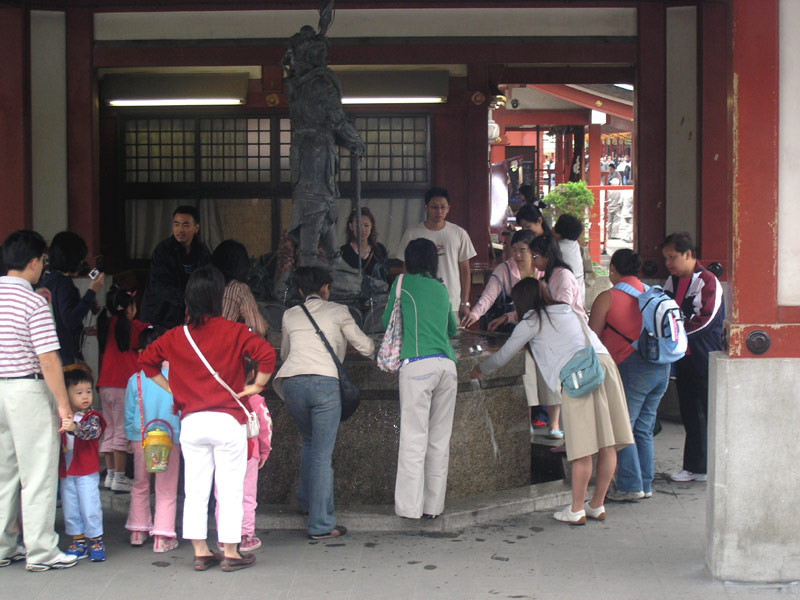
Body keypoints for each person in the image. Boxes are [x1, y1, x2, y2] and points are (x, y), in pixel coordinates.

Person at [139, 265, 276, 572]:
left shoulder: (176, 336)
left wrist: (172, 388)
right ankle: (231, 552)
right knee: (230, 490)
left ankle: (200, 552)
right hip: (227, 421)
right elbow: (266, 354)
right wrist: (256, 385)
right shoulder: (235, 331)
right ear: (218, 298)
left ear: (189, 300)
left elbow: (146, 361)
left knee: (196, 489)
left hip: (192, 423)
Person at [470, 278, 633, 525]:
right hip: (605, 365)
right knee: (607, 443)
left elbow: (504, 355)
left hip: (579, 374)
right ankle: (596, 505)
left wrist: (480, 369)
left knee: (582, 448)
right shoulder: (566, 310)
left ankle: (576, 510)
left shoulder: (531, 320)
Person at [273, 266, 374, 539]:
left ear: (301, 290)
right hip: (325, 385)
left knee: (310, 442)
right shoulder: (339, 311)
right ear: (326, 288)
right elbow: (365, 347)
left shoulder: (290, 314)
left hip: (292, 385)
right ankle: (320, 524)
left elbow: (285, 354)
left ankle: (307, 503)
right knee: (321, 454)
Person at [0, 230, 77, 571]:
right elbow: (48, 359)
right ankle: (42, 551)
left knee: (3, 473)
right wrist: (63, 405)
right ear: (33, 262)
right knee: (38, 473)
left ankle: (4, 546)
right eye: (43, 261)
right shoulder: (33, 302)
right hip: (26, 391)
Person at [383, 239, 458, 520]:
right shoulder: (441, 288)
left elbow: (386, 322)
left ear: (409, 260)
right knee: (439, 440)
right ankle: (433, 508)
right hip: (447, 367)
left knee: (414, 438)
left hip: (417, 366)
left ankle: (409, 508)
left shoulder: (402, 283)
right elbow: (452, 328)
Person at [589, 249, 670, 501]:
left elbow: (592, 338)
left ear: (612, 269)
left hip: (631, 368)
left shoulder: (608, 297)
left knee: (623, 427)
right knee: (643, 428)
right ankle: (645, 483)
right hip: (661, 366)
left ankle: (630, 485)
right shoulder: (652, 293)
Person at [282, 24, 365, 267]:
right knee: (316, 201)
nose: (324, 60)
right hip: (317, 151)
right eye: (320, 55)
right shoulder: (319, 85)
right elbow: (336, 119)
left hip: (303, 150)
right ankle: (308, 257)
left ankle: (332, 256)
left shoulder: (295, 85)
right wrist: (355, 141)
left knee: (321, 200)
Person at [661, 232, 725, 483]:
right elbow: (663, 310)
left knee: (706, 411)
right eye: (666, 258)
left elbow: (705, 320)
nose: (668, 263)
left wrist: (675, 334)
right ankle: (694, 467)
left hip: (703, 354)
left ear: (688, 254)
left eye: (672, 257)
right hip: (683, 356)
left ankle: (708, 466)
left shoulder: (707, 280)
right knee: (689, 411)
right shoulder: (672, 281)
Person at [124, 325, 182, 553]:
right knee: (166, 487)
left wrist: (129, 438)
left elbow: (129, 413)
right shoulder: (177, 377)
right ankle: (162, 536)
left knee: (140, 484)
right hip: (170, 439)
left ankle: (137, 531)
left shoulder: (136, 379)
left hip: (141, 439)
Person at [215, 359, 273, 552]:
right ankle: (245, 536)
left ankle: (224, 537)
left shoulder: (217, 398)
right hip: (249, 452)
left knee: (222, 495)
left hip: (222, 452)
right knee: (247, 495)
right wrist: (264, 451)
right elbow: (265, 428)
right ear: (252, 374)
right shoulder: (255, 399)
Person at [395, 187, 477, 319]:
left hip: (452, 303)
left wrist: (465, 302)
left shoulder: (459, 233)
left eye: (443, 207)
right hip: (421, 303)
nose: (439, 211)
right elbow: (406, 270)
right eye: (434, 207)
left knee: (453, 333)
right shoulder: (412, 233)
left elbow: (465, 271)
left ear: (448, 208)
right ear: (426, 208)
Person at [96, 286, 148, 492]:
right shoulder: (133, 327)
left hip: (104, 385)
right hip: (123, 386)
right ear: (129, 309)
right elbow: (151, 332)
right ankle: (120, 477)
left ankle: (110, 476)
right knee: (121, 431)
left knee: (109, 429)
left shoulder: (106, 324)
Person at [58, 369, 107, 562]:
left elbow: (93, 432)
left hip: (86, 469)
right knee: (70, 506)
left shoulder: (92, 416)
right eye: (78, 393)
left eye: (88, 391)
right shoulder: (61, 416)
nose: (85, 396)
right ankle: (78, 541)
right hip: (67, 469)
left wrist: (74, 427)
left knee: (90, 505)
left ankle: (96, 541)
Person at [39, 231, 105, 368]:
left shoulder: (48, 279)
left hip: (51, 350)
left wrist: (83, 330)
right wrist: (91, 291)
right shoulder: (64, 284)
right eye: (80, 259)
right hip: (66, 356)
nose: (82, 263)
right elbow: (70, 320)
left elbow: (59, 317)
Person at [140, 205, 211, 329]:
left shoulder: (202, 251)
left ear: (196, 228)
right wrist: (186, 299)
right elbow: (160, 285)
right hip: (160, 313)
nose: (180, 230)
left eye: (186, 225)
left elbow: (205, 281)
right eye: (176, 224)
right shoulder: (163, 250)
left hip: (188, 312)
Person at [461, 229, 537, 332]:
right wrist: (475, 314)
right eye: (514, 250)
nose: (517, 255)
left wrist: (508, 316)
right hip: (513, 325)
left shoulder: (541, 269)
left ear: (533, 250)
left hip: (539, 322)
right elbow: (489, 296)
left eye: (522, 250)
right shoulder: (504, 269)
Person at [211, 239, 267, 337]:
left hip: (199, 344)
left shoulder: (203, 285)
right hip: (225, 344)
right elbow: (259, 328)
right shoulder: (239, 289)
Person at [339, 207, 390, 283]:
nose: (362, 229)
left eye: (366, 225)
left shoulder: (380, 249)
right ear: (351, 226)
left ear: (371, 226)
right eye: (358, 225)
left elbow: (387, 278)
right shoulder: (343, 251)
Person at [553, 214, 586, 305]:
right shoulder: (574, 244)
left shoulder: (557, 248)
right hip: (579, 290)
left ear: (558, 231)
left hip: (565, 290)